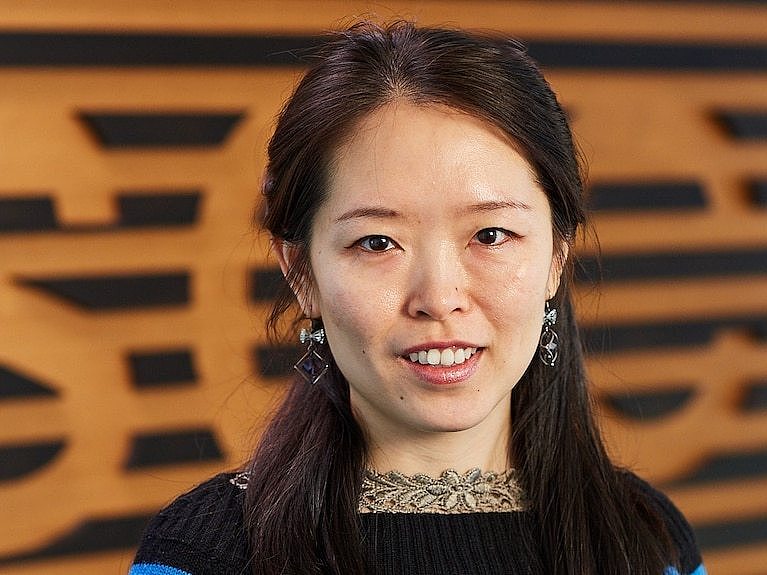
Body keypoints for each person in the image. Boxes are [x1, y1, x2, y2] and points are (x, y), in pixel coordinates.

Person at [130, 21, 706, 575]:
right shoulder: (207, 555)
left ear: (556, 256)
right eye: (377, 242)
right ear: (301, 272)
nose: (438, 297)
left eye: (491, 235)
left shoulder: (649, 542)